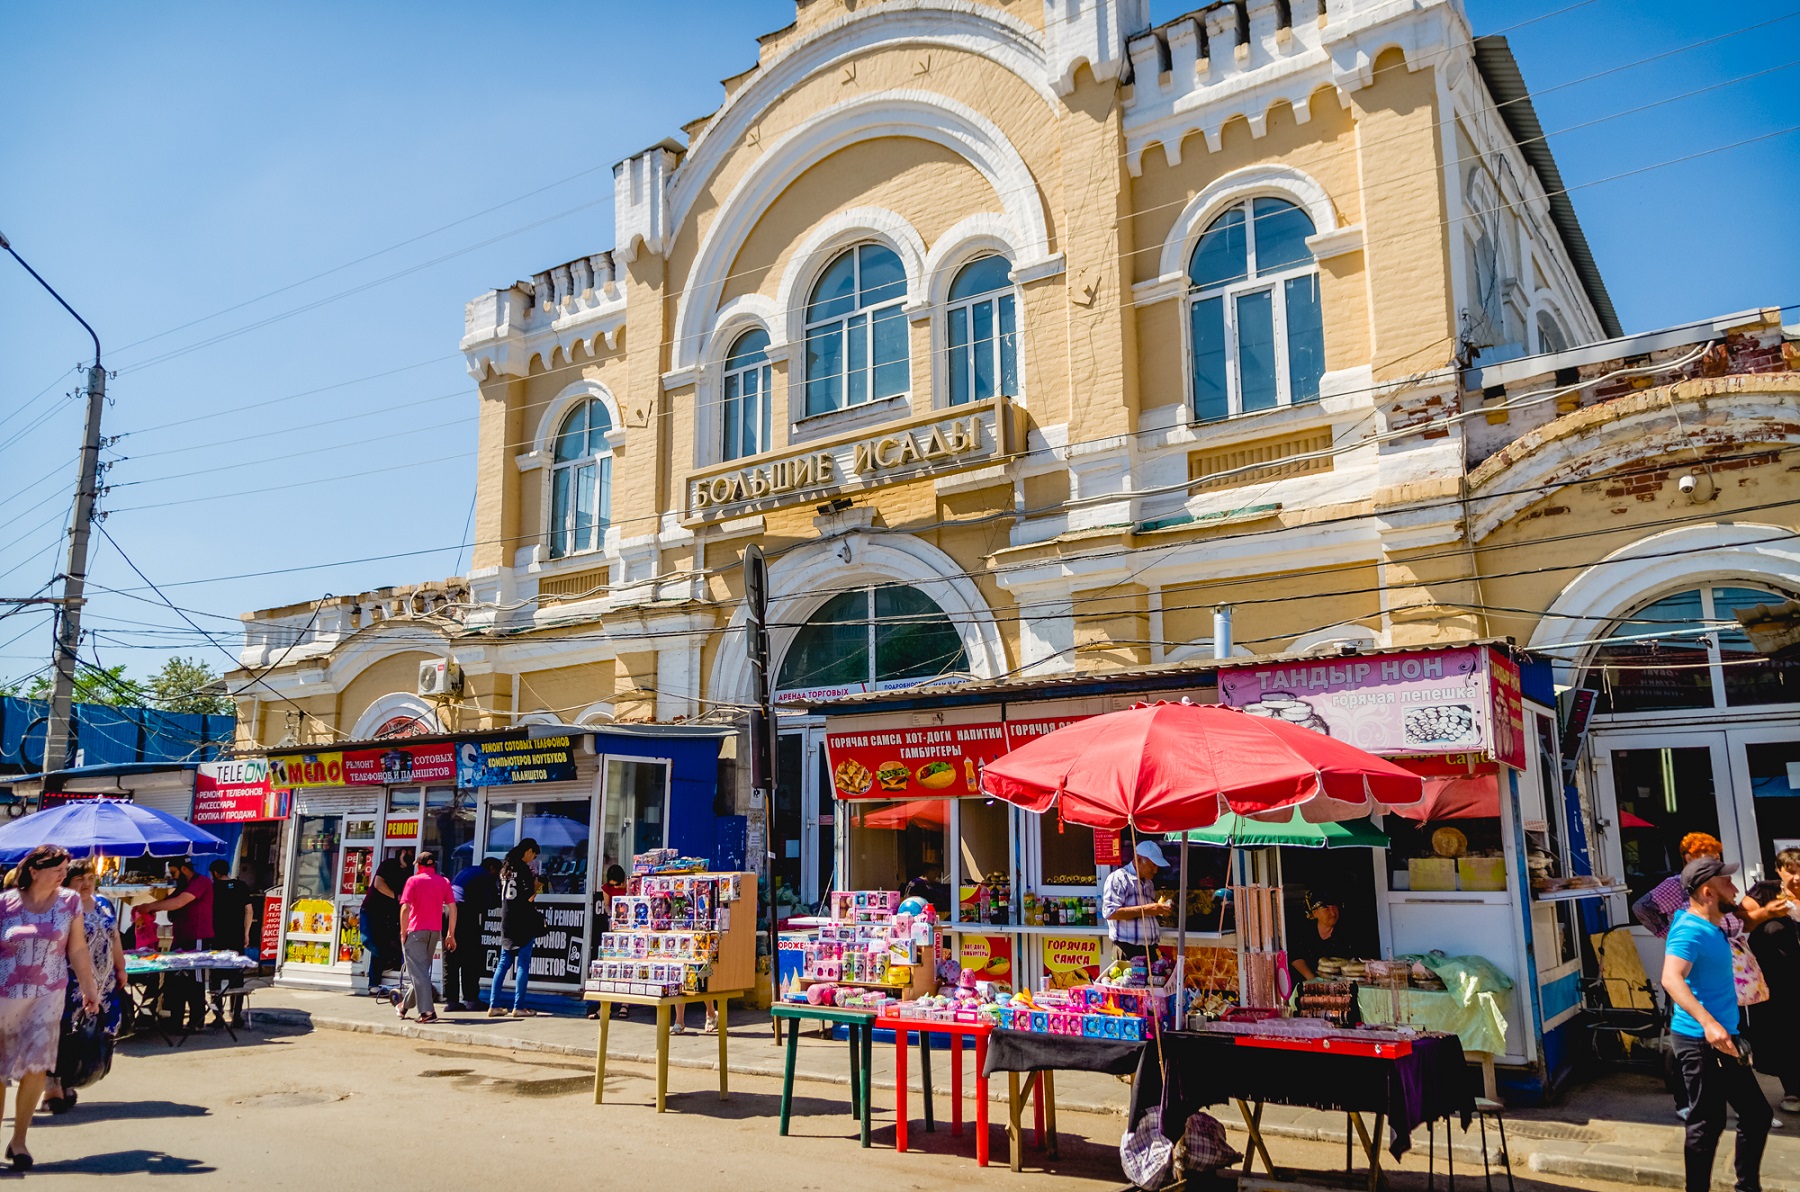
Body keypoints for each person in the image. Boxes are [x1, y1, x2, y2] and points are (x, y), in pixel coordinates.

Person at [1661, 855, 1773, 1192]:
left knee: (1756, 1116)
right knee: (1706, 1124)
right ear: (1708, 891)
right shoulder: (1691, 930)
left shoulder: (1710, 926)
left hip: (1726, 1039)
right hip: (1700, 1041)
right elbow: (1670, 977)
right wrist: (1709, 1023)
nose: (1735, 888)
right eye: (1727, 883)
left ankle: (1747, 1188)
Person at [0, 845, 101, 1171]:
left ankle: (19, 1142)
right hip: (4, 996)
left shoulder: (69, 902)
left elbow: (78, 949)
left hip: (47, 995)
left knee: (36, 1066)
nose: (63, 874)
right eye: (58, 868)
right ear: (34, 870)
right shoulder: (5, 904)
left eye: (65, 868)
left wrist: (89, 987)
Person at [43, 860, 127, 1114]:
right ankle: (52, 1085)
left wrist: (121, 968)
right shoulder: (61, 907)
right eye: (80, 879)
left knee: (88, 1035)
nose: (86, 883)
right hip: (69, 981)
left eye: (90, 877)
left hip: (104, 981)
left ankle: (70, 1079)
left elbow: (114, 937)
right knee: (62, 1032)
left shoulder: (104, 905)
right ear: (68, 882)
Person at [1744, 846, 1800, 1114]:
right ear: (1778, 871)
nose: (1797, 877)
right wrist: (1766, 913)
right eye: (1790, 872)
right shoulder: (1764, 892)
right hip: (1777, 980)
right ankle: (1793, 1090)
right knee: (1785, 1035)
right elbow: (1742, 922)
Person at [138, 856, 216, 1031]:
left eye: (173, 872)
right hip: (180, 937)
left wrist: (151, 906)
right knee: (176, 979)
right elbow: (170, 903)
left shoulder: (200, 882)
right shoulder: (182, 886)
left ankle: (196, 1020)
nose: (172, 876)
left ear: (183, 868)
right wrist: (154, 901)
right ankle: (175, 1019)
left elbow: (179, 902)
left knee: (195, 980)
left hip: (197, 937)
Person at [396, 852, 457, 1024]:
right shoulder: (443, 882)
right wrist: (450, 934)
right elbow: (452, 907)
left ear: (419, 865)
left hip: (415, 931)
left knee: (420, 973)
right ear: (434, 865)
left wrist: (403, 931)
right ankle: (404, 1007)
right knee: (420, 971)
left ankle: (428, 1012)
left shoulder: (413, 881)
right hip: (434, 932)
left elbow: (405, 908)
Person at [1635, 833, 1728, 939]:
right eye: (1711, 858)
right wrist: (1670, 936)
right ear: (1690, 859)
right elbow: (1641, 907)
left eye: (1718, 858)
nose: (1717, 863)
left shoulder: (1715, 883)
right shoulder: (1677, 884)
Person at [490, 840, 542, 1018]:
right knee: (523, 964)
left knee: (503, 963)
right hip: (523, 921)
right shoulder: (523, 869)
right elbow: (529, 897)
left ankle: (494, 1005)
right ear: (528, 851)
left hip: (507, 920)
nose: (532, 859)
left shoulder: (505, 869)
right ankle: (519, 1006)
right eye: (533, 855)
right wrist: (538, 886)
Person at [1289, 885, 1378, 983]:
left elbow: (1362, 961)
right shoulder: (1305, 932)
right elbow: (1296, 956)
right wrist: (1312, 979)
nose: (1332, 912)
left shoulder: (1348, 931)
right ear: (1314, 913)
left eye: (1334, 906)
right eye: (1326, 908)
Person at [1102, 841, 1172, 963]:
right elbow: (1110, 913)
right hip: (1128, 950)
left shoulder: (1149, 883)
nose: (1155, 871)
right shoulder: (1118, 878)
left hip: (1149, 950)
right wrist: (1146, 910)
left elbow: (1147, 913)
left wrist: (1160, 911)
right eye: (1152, 866)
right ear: (1139, 860)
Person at [446, 856, 500, 1012]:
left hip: (447, 911)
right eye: (497, 872)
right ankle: (471, 999)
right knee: (471, 957)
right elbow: (492, 901)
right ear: (491, 868)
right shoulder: (484, 875)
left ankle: (452, 1001)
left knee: (451, 958)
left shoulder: (468, 870)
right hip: (463, 913)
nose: (496, 876)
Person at [208, 859, 255, 1028]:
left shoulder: (212, 889)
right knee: (237, 978)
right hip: (236, 939)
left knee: (215, 980)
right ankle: (236, 1016)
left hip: (217, 938)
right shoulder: (241, 886)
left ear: (214, 873)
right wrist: (246, 933)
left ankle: (218, 1016)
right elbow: (249, 910)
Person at [362, 847, 414, 994]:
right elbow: (378, 884)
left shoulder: (409, 873)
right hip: (371, 910)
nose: (411, 856)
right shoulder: (388, 865)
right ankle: (375, 981)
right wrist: (395, 896)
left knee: (387, 944)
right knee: (371, 942)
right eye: (410, 852)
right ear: (403, 852)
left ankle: (376, 983)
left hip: (389, 915)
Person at [591, 864, 629, 1021]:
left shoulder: (629, 884)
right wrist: (612, 915)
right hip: (614, 927)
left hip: (628, 928)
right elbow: (607, 905)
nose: (615, 886)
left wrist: (626, 887)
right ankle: (605, 1005)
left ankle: (625, 1003)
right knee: (609, 965)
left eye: (617, 884)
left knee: (627, 964)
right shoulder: (607, 888)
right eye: (612, 884)